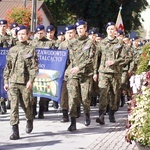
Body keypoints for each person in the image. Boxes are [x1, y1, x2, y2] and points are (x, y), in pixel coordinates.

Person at [3, 25, 39, 140]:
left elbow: (34, 68)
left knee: (27, 106)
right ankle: (15, 131)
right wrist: (6, 81)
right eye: (19, 34)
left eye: (23, 34)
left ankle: (29, 119)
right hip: (13, 81)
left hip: (25, 83)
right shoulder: (12, 50)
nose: (21, 36)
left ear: (28, 35)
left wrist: (31, 81)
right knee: (13, 106)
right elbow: (7, 67)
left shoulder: (30, 50)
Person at [93, 22, 127, 125]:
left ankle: (112, 113)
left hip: (115, 72)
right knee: (103, 93)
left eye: (112, 29)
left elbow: (124, 58)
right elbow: (96, 59)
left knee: (114, 94)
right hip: (103, 72)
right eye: (109, 29)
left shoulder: (119, 43)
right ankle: (101, 115)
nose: (110, 31)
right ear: (106, 30)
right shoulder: (102, 43)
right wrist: (95, 72)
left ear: (115, 31)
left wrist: (114, 62)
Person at [65, 20, 95, 131]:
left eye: (82, 28)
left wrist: (80, 67)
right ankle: (73, 122)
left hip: (85, 74)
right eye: (78, 29)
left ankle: (87, 113)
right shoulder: (71, 42)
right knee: (72, 98)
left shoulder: (90, 43)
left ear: (85, 28)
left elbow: (91, 59)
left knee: (85, 98)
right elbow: (63, 56)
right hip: (73, 74)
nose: (80, 30)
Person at [58, 25, 77, 122]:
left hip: (75, 72)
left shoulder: (78, 44)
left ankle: (75, 111)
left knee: (74, 94)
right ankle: (65, 114)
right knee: (64, 94)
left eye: (71, 32)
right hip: (64, 73)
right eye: (67, 33)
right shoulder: (62, 45)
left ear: (75, 33)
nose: (69, 35)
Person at [0, 19, 11, 114]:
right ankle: (1, 103)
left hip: (7, 65)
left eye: (4, 26)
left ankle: (4, 102)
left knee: (5, 83)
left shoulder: (11, 39)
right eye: (0, 26)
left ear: (7, 27)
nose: (2, 28)